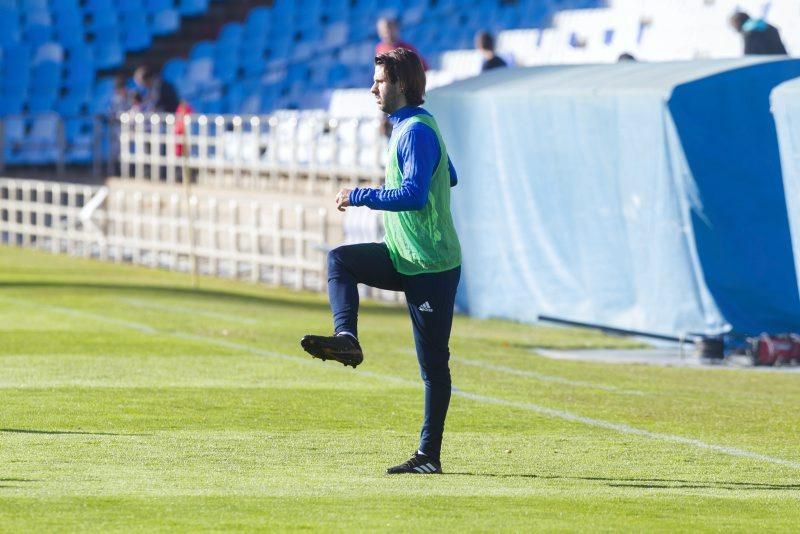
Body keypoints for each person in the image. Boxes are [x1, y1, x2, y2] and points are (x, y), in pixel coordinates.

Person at [301, 48, 461, 476]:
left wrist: (360, 195)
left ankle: (429, 457)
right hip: (403, 255)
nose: (373, 88)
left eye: (380, 81)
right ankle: (347, 338)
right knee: (341, 261)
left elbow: (414, 195)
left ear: (403, 85)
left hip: (430, 265)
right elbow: (450, 175)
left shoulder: (415, 132)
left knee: (432, 365)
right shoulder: (409, 129)